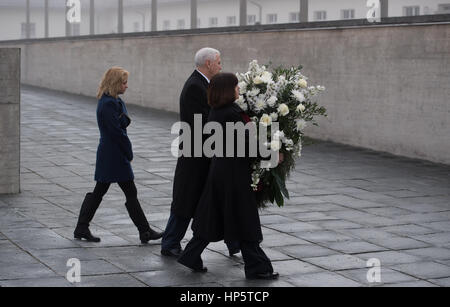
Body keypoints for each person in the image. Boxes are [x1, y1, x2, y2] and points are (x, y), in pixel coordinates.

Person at [177, 72, 279, 280]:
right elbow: (248, 147)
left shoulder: (218, 111)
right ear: (227, 90)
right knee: (244, 220)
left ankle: (191, 254)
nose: (238, 90)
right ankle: (257, 267)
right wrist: (275, 154)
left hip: (221, 172)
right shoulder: (231, 114)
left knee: (212, 217)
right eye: (235, 86)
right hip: (234, 175)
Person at [161, 48, 240, 258]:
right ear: (208, 63)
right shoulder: (196, 86)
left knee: (213, 200)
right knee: (186, 201)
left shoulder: (203, 84)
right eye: (219, 62)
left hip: (203, 154)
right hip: (195, 156)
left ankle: (234, 243)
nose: (221, 66)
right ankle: (169, 242)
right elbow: (205, 122)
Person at [74, 67, 163, 244]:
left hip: (112, 153)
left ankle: (82, 227)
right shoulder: (108, 103)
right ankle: (144, 231)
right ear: (115, 83)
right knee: (124, 191)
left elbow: (121, 124)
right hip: (113, 154)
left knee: (104, 190)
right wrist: (128, 151)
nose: (126, 86)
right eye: (124, 83)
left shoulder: (112, 101)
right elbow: (117, 132)